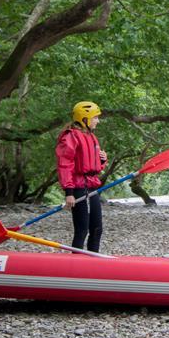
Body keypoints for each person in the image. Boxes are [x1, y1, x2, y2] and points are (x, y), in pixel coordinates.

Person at [56, 101, 107, 252]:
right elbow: (65, 164)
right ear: (85, 118)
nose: (98, 121)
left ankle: (93, 261)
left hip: (92, 186)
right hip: (78, 188)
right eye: (95, 117)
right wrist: (69, 193)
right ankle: (75, 263)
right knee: (82, 230)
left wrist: (102, 160)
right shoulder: (70, 137)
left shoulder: (91, 137)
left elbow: (94, 165)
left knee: (97, 229)